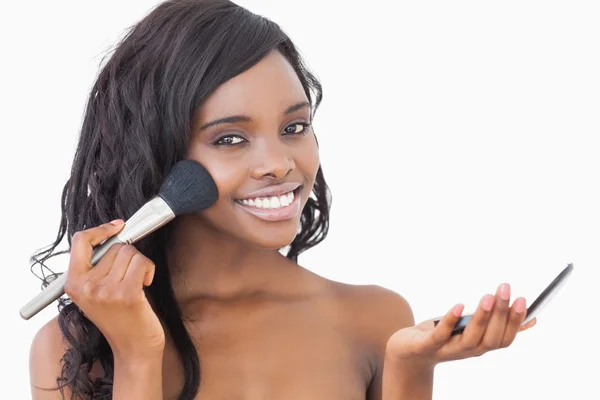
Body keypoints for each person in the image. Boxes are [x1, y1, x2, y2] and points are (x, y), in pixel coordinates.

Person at [28, 1, 536, 399]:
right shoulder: (72, 349)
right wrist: (138, 354)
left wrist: (410, 365)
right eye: (230, 138)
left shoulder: (372, 318)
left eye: (294, 127)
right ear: (155, 157)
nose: (279, 163)